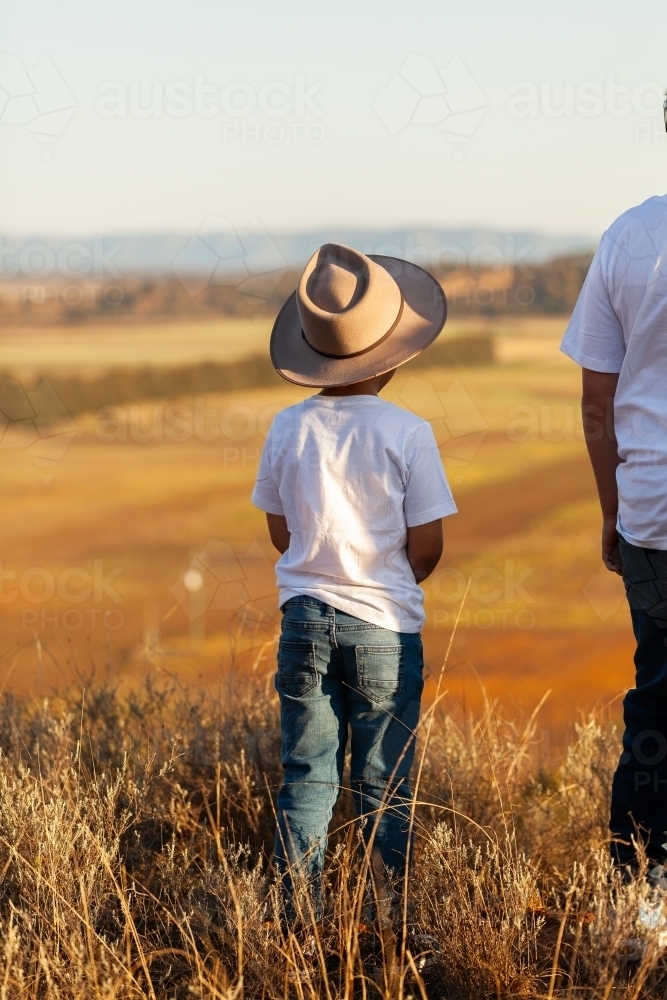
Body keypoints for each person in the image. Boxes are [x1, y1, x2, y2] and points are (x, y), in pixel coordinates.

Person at [251, 243, 457, 923]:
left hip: (302, 619)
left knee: (306, 775)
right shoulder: (408, 431)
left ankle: (296, 921)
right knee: (384, 782)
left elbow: (281, 535)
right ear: (392, 355)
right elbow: (425, 545)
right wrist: (391, 574)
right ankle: (387, 917)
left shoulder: (287, 426)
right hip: (383, 627)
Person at [561, 194, 667, 881]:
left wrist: (611, 509)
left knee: (658, 699)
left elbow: (595, 398)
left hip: (652, 515)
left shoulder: (628, 235)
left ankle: (639, 892)